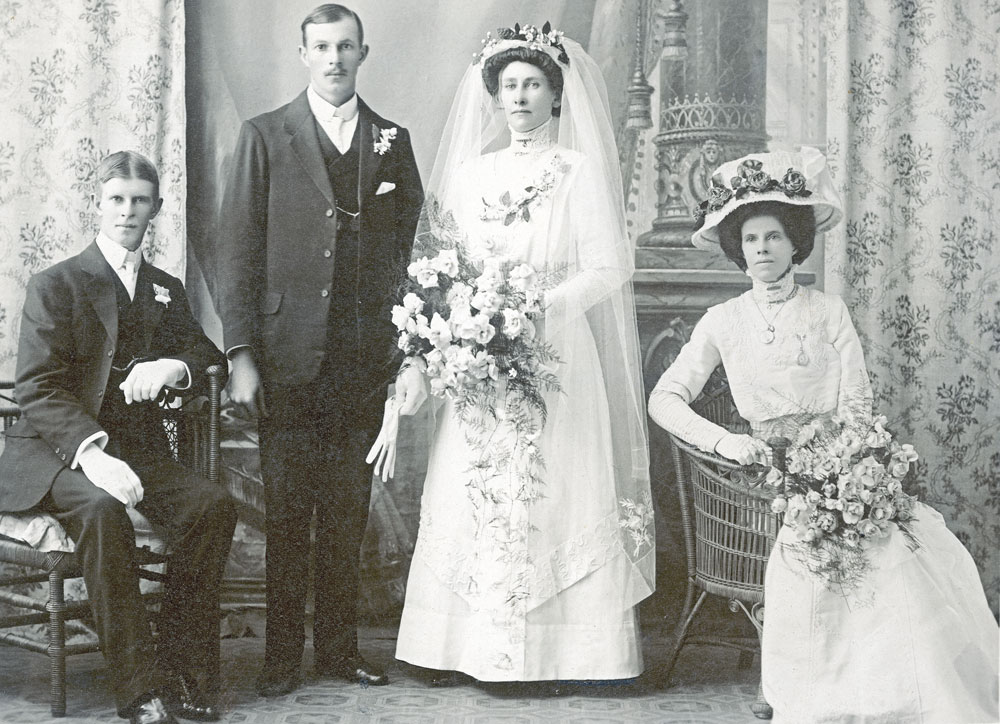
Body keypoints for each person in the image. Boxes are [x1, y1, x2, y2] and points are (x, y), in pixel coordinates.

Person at [648, 147, 999, 723]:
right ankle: (825, 689)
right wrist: (731, 444)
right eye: (753, 239)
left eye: (775, 238)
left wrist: (851, 462)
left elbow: (856, 399)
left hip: (841, 461)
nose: (763, 249)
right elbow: (664, 398)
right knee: (822, 542)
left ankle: (898, 690)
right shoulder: (722, 321)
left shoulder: (828, 309)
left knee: (901, 546)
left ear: (795, 243)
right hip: (764, 476)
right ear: (738, 247)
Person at [389, 24, 654, 682]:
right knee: (477, 485)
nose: (521, 96)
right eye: (509, 85)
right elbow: (443, 268)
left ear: (556, 94)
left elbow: (609, 265)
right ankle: (458, 652)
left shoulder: (577, 171)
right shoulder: (471, 174)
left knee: (559, 490)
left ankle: (575, 655)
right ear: (494, 96)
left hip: (556, 357)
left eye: (534, 84)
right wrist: (465, 322)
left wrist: (537, 310)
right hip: (480, 359)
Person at [214, 3, 423, 696]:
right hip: (283, 360)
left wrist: (407, 353)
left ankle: (337, 650)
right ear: (304, 54)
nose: (334, 59)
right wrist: (241, 352)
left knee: (345, 513)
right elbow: (235, 251)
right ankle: (280, 656)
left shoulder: (394, 140)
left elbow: (411, 256)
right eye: (322, 47)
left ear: (365, 53)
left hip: (362, 363)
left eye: (346, 47)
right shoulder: (265, 136)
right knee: (287, 513)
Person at [0, 151, 236, 724]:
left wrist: (171, 368)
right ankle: (140, 689)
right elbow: (38, 386)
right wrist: (92, 455)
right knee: (105, 513)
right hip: (53, 456)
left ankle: (183, 668)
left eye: (139, 200)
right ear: (97, 204)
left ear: (155, 208)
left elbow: (205, 355)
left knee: (213, 507)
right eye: (116, 199)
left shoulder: (164, 288)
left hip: (138, 451)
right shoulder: (56, 284)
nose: (127, 212)